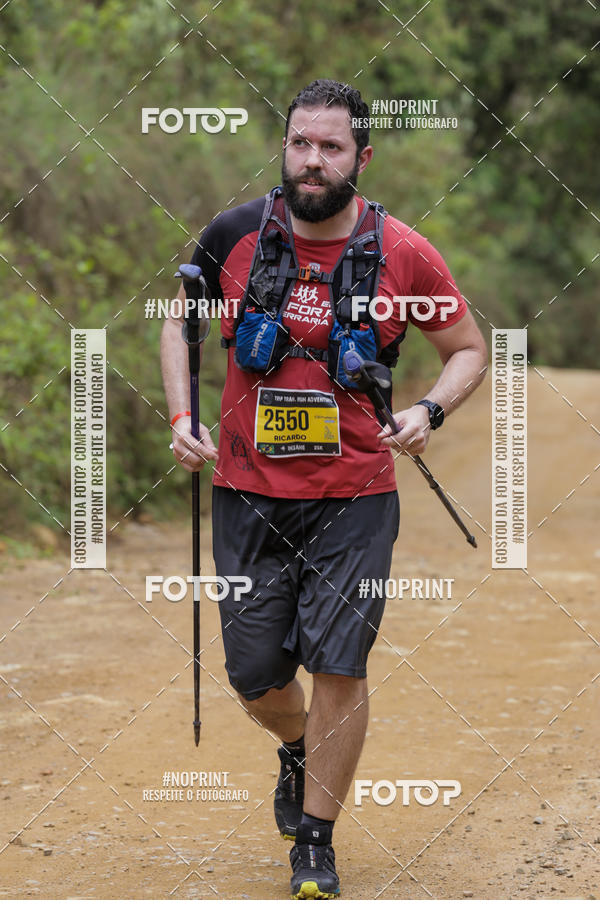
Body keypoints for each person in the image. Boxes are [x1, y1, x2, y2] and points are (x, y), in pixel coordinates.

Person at [161, 78, 487, 900]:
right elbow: (178, 320)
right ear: (285, 147)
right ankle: (299, 748)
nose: (312, 160)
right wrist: (182, 414)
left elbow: (468, 348)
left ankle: (315, 842)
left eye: (330, 147)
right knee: (254, 675)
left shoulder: (405, 252)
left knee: (341, 662)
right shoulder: (233, 234)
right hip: (246, 488)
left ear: (361, 157)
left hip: (356, 495)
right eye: (300, 143)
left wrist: (428, 411)